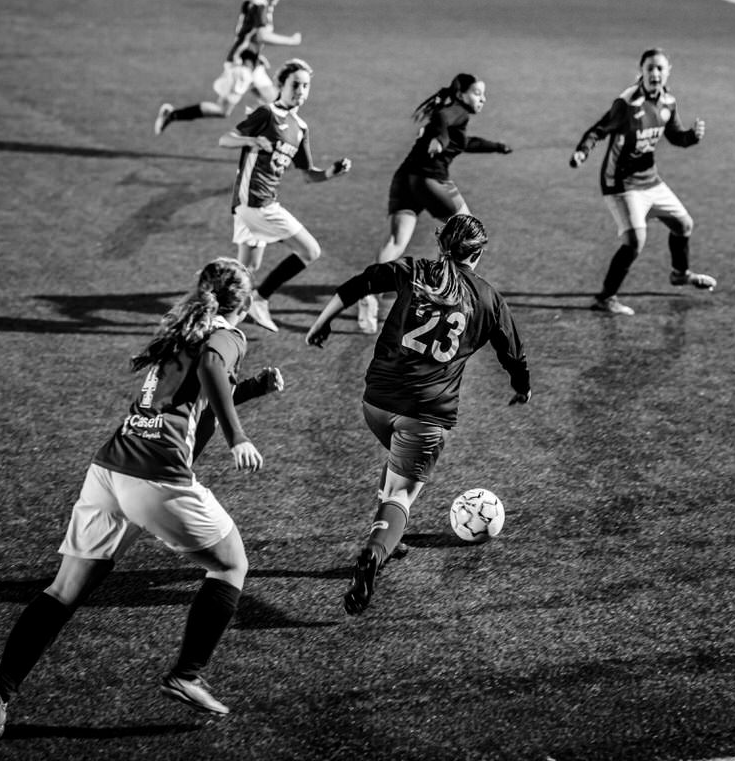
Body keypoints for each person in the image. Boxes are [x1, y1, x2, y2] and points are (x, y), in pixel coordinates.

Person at [0, 258, 285, 739]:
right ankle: (186, 674)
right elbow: (211, 368)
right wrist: (237, 437)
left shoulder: (182, 331)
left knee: (64, 590)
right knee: (230, 565)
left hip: (110, 468)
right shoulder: (227, 335)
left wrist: (254, 388)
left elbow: (194, 394)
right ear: (242, 304)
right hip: (156, 475)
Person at [306, 214, 531, 616]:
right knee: (401, 494)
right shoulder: (487, 298)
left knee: (397, 469)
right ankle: (375, 553)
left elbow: (360, 283)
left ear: (441, 244)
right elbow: (514, 354)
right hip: (425, 415)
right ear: (477, 253)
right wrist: (522, 386)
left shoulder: (413, 270)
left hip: (376, 402)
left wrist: (322, 322)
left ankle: (390, 538)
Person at [356, 73, 512, 334]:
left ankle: (368, 294)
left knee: (395, 242)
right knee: (467, 231)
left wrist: (497, 146)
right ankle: (442, 294)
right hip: (429, 180)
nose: (482, 99)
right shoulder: (456, 111)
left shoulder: (456, 118)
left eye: (484, 94)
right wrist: (440, 139)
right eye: (477, 93)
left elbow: (464, 142)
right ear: (461, 94)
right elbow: (442, 119)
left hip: (405, 178)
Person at [570, 47, 716, 316]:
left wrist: (692, 137)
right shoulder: (627, 103)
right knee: (635, 240)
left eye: (660, 68)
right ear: (641, 72)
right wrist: (583, 151)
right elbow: (598, 130)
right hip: (620, 182)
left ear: (668, 72)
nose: (655, 73)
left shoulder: (668, 102)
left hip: (650, 179)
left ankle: (680, 274)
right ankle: (606, 297)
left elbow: (675, 137)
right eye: (650, 68)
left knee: (684, 225)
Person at [217, 58, 351, 333]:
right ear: (281, 85)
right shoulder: (266, 114)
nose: (300, 91)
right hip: (256, 202)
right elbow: (225, 139)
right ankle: (261, 298)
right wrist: (252, 140)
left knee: (246, 270)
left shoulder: (300, 128)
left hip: (254, 203)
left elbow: (308, 174)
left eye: (305, 86)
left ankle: (214, 317)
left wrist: (331, 172)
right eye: (295, 85)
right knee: (310, 250)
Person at [154, 0, 301, 135]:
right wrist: (291, 41)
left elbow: (246, 34)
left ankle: (269, 138)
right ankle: (172, 115)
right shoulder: (260, 6)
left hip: (252, 63)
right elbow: (262, 36)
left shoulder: (257, 5)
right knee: (222, 110)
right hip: (241, 66)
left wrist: (256, 55)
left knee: (275, 100)